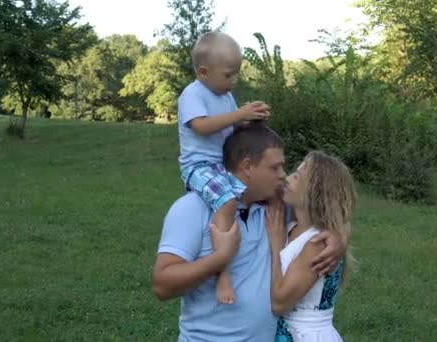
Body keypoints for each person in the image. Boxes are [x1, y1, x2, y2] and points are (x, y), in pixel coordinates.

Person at [152, 124, 345, 342]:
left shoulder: (279, 207)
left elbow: (325, 207)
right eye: (275, 168)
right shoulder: (193, 209)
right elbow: (162, 285)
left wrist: (336, 238)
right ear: (247, 166)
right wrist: (219, 259)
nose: (283, 175)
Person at [177, 31, 271, 304]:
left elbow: (229, 125)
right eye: (228, 75)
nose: (234, 81)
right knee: (227, 203)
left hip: (222, 166)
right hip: (199, 166)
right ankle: (222, 270)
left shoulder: (225, 97)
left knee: (258, 197)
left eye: (237, 74)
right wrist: (238, 114)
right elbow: (202, 126)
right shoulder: (193, 94)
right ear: (204, 72)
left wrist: (249, 117)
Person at [266, 151, 356, 342]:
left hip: (306, 334)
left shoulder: (317, 244)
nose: (287, 178)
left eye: (297, 177)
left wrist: (275, 248)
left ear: (314, 192)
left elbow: (279, 303)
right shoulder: (292, 225)